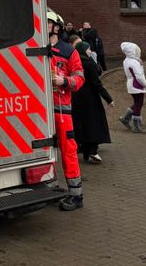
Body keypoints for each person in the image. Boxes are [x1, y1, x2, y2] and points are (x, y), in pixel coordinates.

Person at [48, 12, 85, 210]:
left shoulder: (68, 51)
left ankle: (76, 195)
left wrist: (65, 81)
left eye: (47, 23)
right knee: (46, 151)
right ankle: (50, 188)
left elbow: (80, 78)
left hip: (62, 111)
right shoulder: (36, 49)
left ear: (56, 27)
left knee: (68, 151)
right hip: (41, 111)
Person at [68, 33, 114, 163]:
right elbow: (96, 83)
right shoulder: (88, 64)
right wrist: (109, 98)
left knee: (82, 123)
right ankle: (93, 151)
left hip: (77, 96)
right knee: (93, 122)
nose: (90, 51)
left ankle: (86, 152)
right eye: (88, 49)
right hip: (90, 98)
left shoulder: (76, 62)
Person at [119, 41, 146, 133]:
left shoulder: (126, 60)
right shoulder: (134, 62)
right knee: (139, 104)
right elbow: (139, 76)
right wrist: (145, 84)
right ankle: (137, 127)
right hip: (137, 85)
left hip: (131, 84)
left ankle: (126, 119)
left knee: (137, 103)